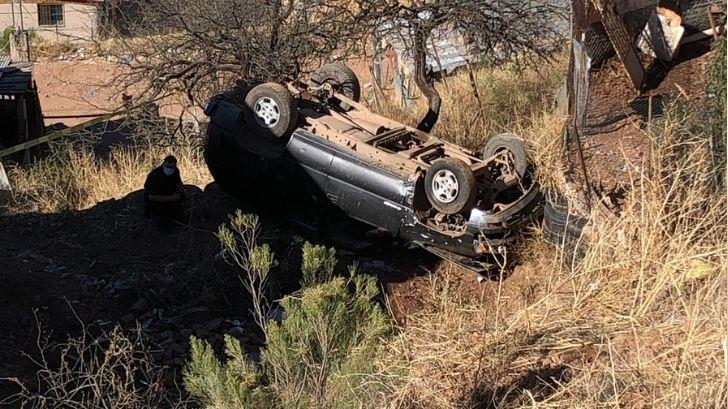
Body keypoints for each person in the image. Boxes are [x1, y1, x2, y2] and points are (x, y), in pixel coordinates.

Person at [144, 155, 184, 230]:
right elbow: (152, 197)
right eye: (168, 167)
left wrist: (179, 192)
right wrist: (170, 198)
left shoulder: (175, 171)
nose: (170, 170)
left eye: (172, 168)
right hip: (155, 200)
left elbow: (179, 183)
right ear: (164, 164)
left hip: (169, 195)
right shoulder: (154, 176)